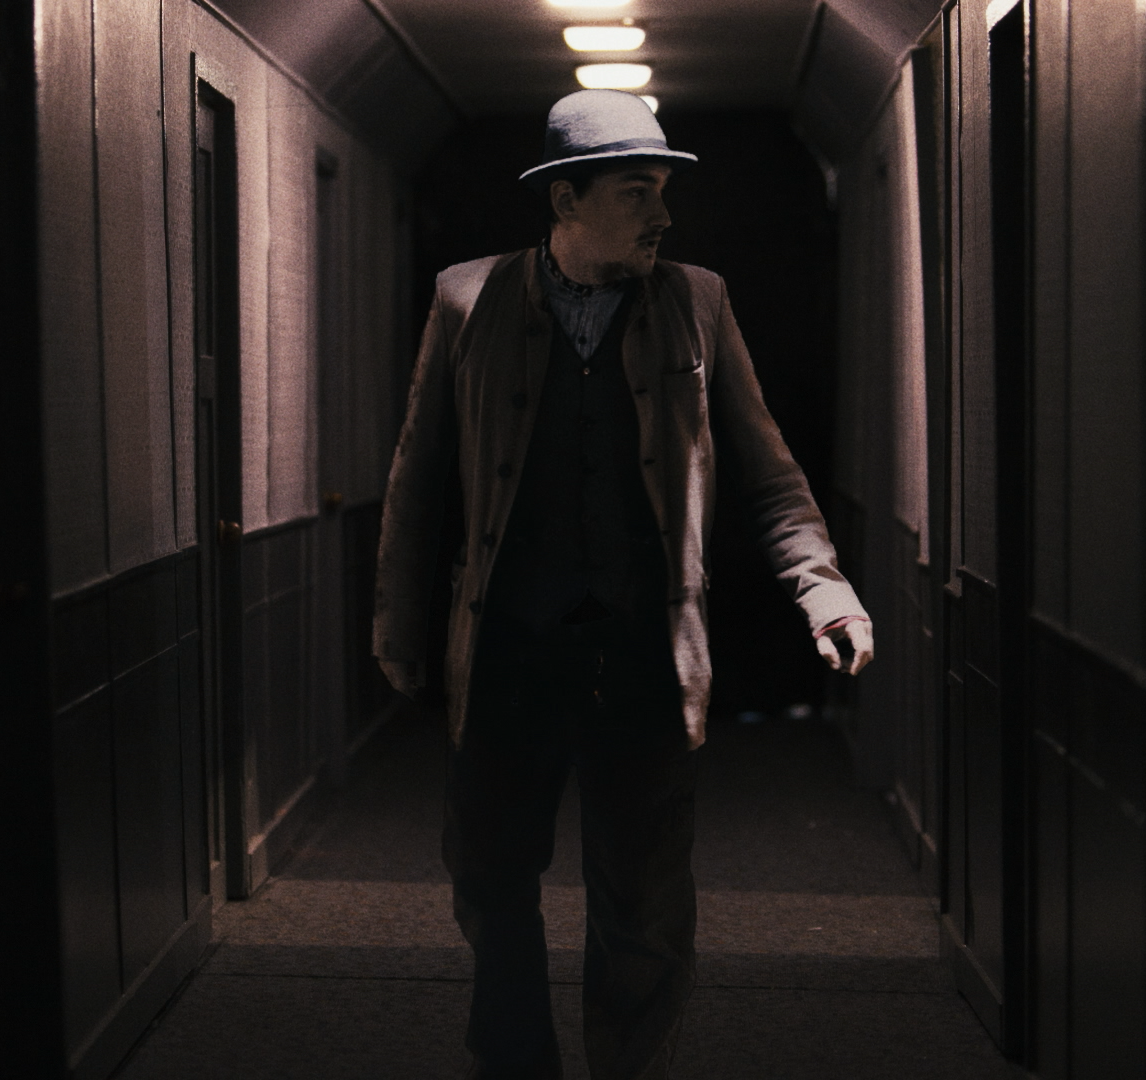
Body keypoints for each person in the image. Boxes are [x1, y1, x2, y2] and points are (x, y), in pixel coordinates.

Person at [373, 89, 873, 1080]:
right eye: (637, 192)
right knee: (490, 883)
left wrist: (825, 589)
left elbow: (768, 470)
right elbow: (417, 474)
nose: (662, 215)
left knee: (644, 907)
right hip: (508, 650)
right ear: (566, 199)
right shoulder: (467, 298)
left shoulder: (698, 301)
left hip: (643, 656)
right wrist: (396, 623)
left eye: (663, 191)